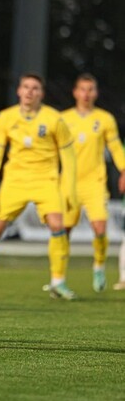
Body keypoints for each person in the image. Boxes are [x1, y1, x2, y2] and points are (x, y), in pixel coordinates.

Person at [0, 73, 78, 300]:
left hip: (46, 181)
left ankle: (58, 282)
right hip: (14, 181)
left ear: (41, 93)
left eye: (35, 88)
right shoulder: (5, 117)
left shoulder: (54, 118)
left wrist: (70, 191)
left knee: (58, 225)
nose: (29, 91)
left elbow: (69, 157)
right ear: (19, 91)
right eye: (26, 87)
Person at [61, 74, 125, 292]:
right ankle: (58, 276)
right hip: (68, 183)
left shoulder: (105, 119)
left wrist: (124, 170)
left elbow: (115, 148)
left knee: (100, 228)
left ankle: (98, 266)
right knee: (63, 231)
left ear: (96, 93)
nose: (86, 94)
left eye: (90, 89)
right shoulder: (63, 118)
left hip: (94, 182)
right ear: (75, 92)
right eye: (82, 89)